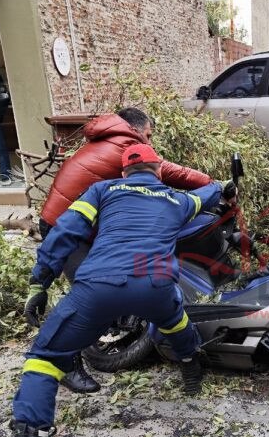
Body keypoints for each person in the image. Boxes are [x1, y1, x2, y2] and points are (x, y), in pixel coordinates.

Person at [0, 143, 223, 437]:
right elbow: (208, 192)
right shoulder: (177, 200)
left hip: (99, 286)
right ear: (158, 171)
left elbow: (65, 232)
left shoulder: (103, 189)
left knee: (44, 358)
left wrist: (40, 283)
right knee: (174, 320)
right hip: (154, 285)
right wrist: (221, 186)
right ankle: (190, 368)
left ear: (124, 172)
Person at [39, 107, 213, 394]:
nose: (149, 140)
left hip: (65, 220)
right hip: (68, 228)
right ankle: (68, 365)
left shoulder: (108, 138)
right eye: (148, 134)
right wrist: (211, 185)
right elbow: (171, 172)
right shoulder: (128, 145)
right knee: (88, 296)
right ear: (137, 128)